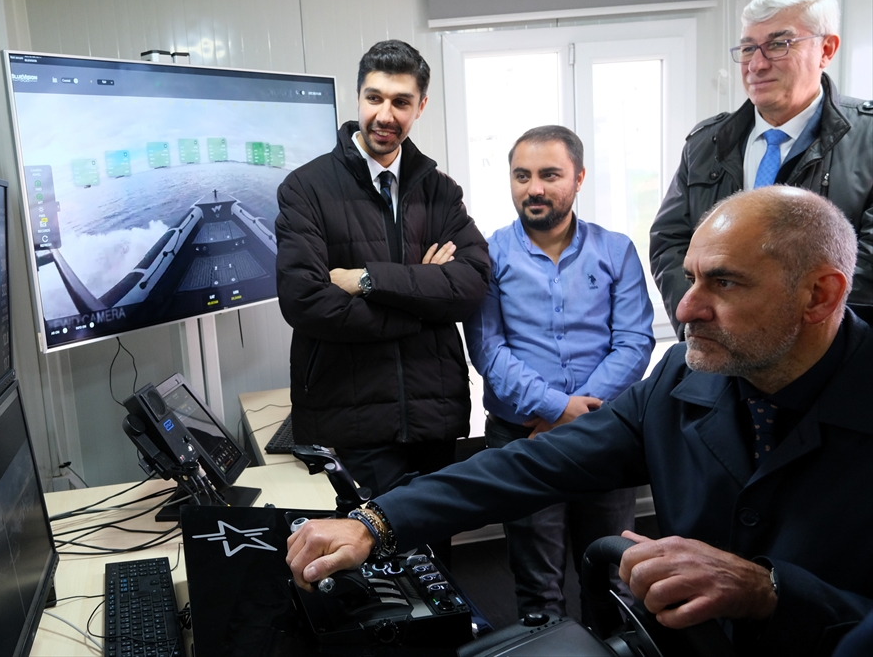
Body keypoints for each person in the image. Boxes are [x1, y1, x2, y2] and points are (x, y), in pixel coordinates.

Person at [288, 186, 873, 657]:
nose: (686, 308)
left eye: (724, 282)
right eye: (691, 278)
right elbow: (532, 465)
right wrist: (377, 522)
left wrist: (770, 593)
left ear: (819, 296)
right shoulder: (683, 378)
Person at [275, 39, 490, 502]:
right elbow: (304, 300)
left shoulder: (440, 191)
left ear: (421, 106)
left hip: (435, 415)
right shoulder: (305, 189)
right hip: (354, 420)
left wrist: (367, 280)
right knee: (377, 546)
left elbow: (471, 283)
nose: (385, 115)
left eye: (401, 102)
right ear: (358, 97)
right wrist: (422, 307)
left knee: (436, 543)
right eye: (374, 98)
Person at [466, 125, 654, 620]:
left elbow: (634, 342)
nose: (534, 188)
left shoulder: (616, 249)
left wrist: (577, 414)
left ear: (579, 178)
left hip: (606, 434)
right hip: (521, 437)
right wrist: (557, 408)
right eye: (522, 176)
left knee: (614, 578)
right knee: (537, 587)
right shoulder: (487, 256)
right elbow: (487, 349)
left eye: (550, 175)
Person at [650, 0, 873, 336]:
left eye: (778, 45)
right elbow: (669, 242)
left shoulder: (867, 140)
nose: (756, 64)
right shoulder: (706, 143)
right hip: (721, 344)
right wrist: (703, 321)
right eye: (748, 48)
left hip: (825, 350)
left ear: (826, 50)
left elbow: (867, 263)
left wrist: (795, 337)